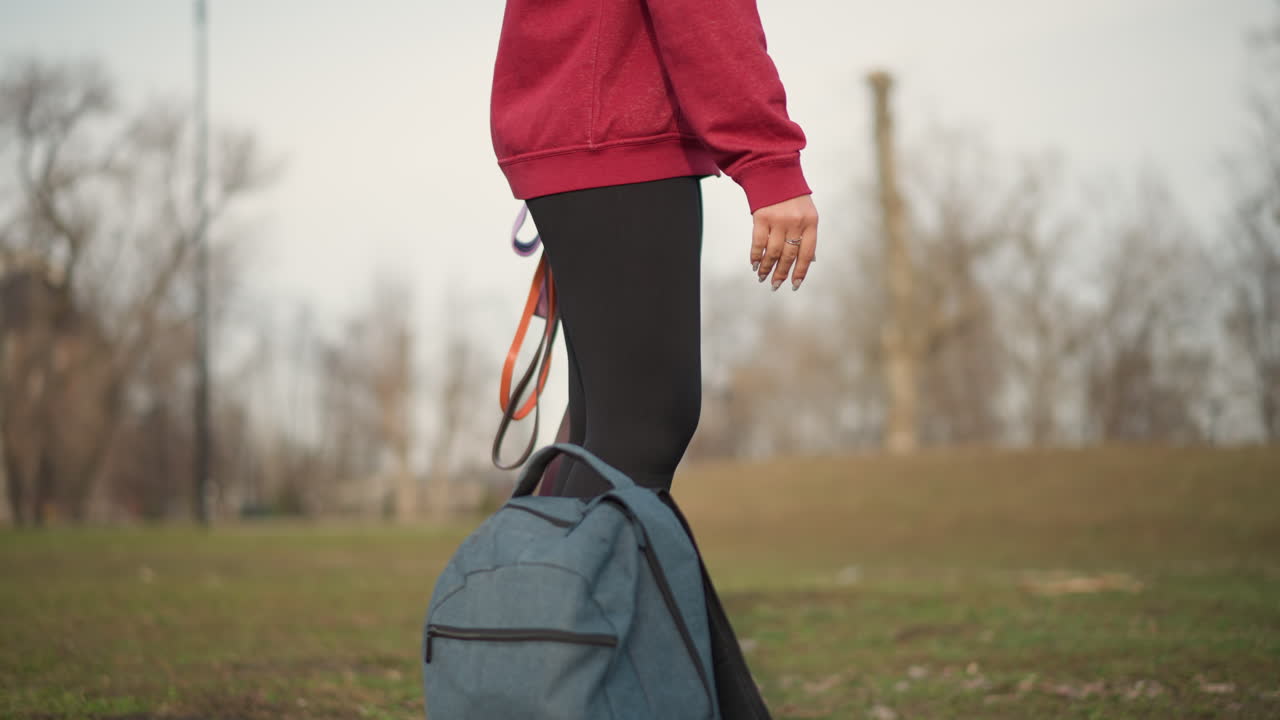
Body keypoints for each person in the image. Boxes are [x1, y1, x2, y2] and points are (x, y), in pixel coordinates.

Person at [491, 0, 819, 500]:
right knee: (641, 435)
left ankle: (548, 574)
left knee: (604, 435)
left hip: (588, 134)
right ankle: (549, 578)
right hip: (617, 141)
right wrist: (767, 158)